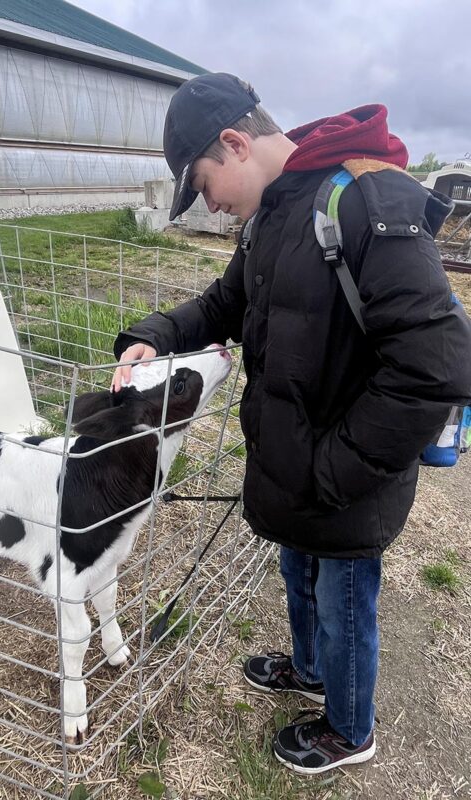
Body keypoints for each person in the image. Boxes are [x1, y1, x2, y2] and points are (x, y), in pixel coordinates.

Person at [111, 73, 471, 774]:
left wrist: (333, 472)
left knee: (343, 604)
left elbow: (438, 366)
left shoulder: (362, 201)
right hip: (297, 466)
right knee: (297, 571)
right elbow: (224, 304)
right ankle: (309, 671)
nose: (208, 204)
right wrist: (157, 333)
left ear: (235, 142)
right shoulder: (271, 216)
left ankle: (349, 729)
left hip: (346, 479)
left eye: (203, 183)